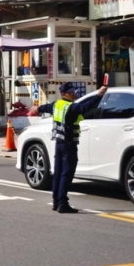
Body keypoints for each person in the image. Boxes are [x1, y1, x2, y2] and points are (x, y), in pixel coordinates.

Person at [29, 83, 107, 213]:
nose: (74, 94)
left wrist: (37, 108)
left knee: (58, 173)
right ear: (64, 94)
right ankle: (62, 203)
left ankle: (56, 202)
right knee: (67, 172)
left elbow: (46, 107)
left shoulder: (57, 105)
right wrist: (99, 95)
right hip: (69, 144)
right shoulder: (71, 107)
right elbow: (85, 107)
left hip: (59, 144)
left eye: (73, 91)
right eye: (71, 92)